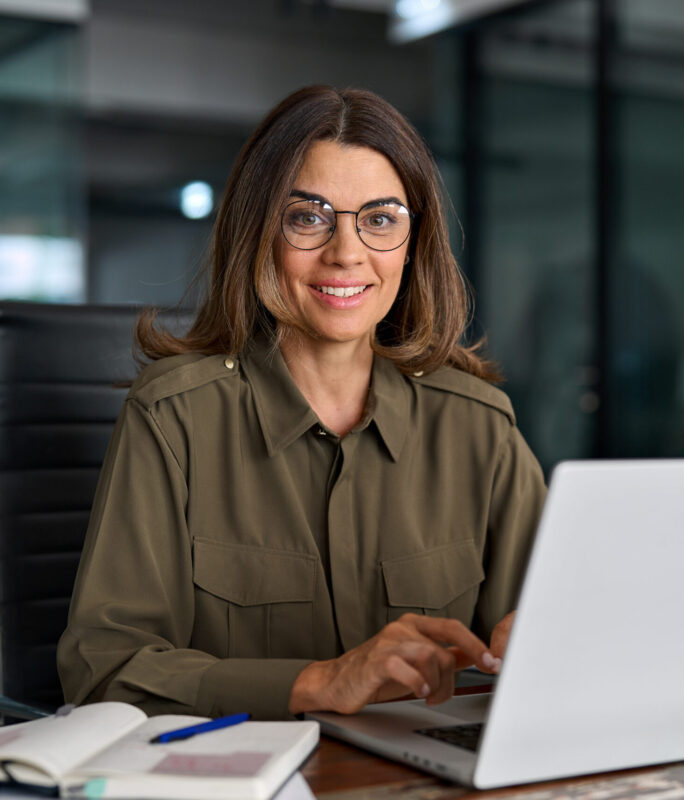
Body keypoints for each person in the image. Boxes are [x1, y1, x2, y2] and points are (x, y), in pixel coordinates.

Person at [57, 86, 547, 720]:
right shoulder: (173, 418)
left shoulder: (478, 426)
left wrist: (541, 641)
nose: (347, 253)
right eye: (308, 216)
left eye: (380, 218)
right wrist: (318, 682)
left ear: (412, 242)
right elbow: (105, 670)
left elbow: (559, 628)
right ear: (259, 231)